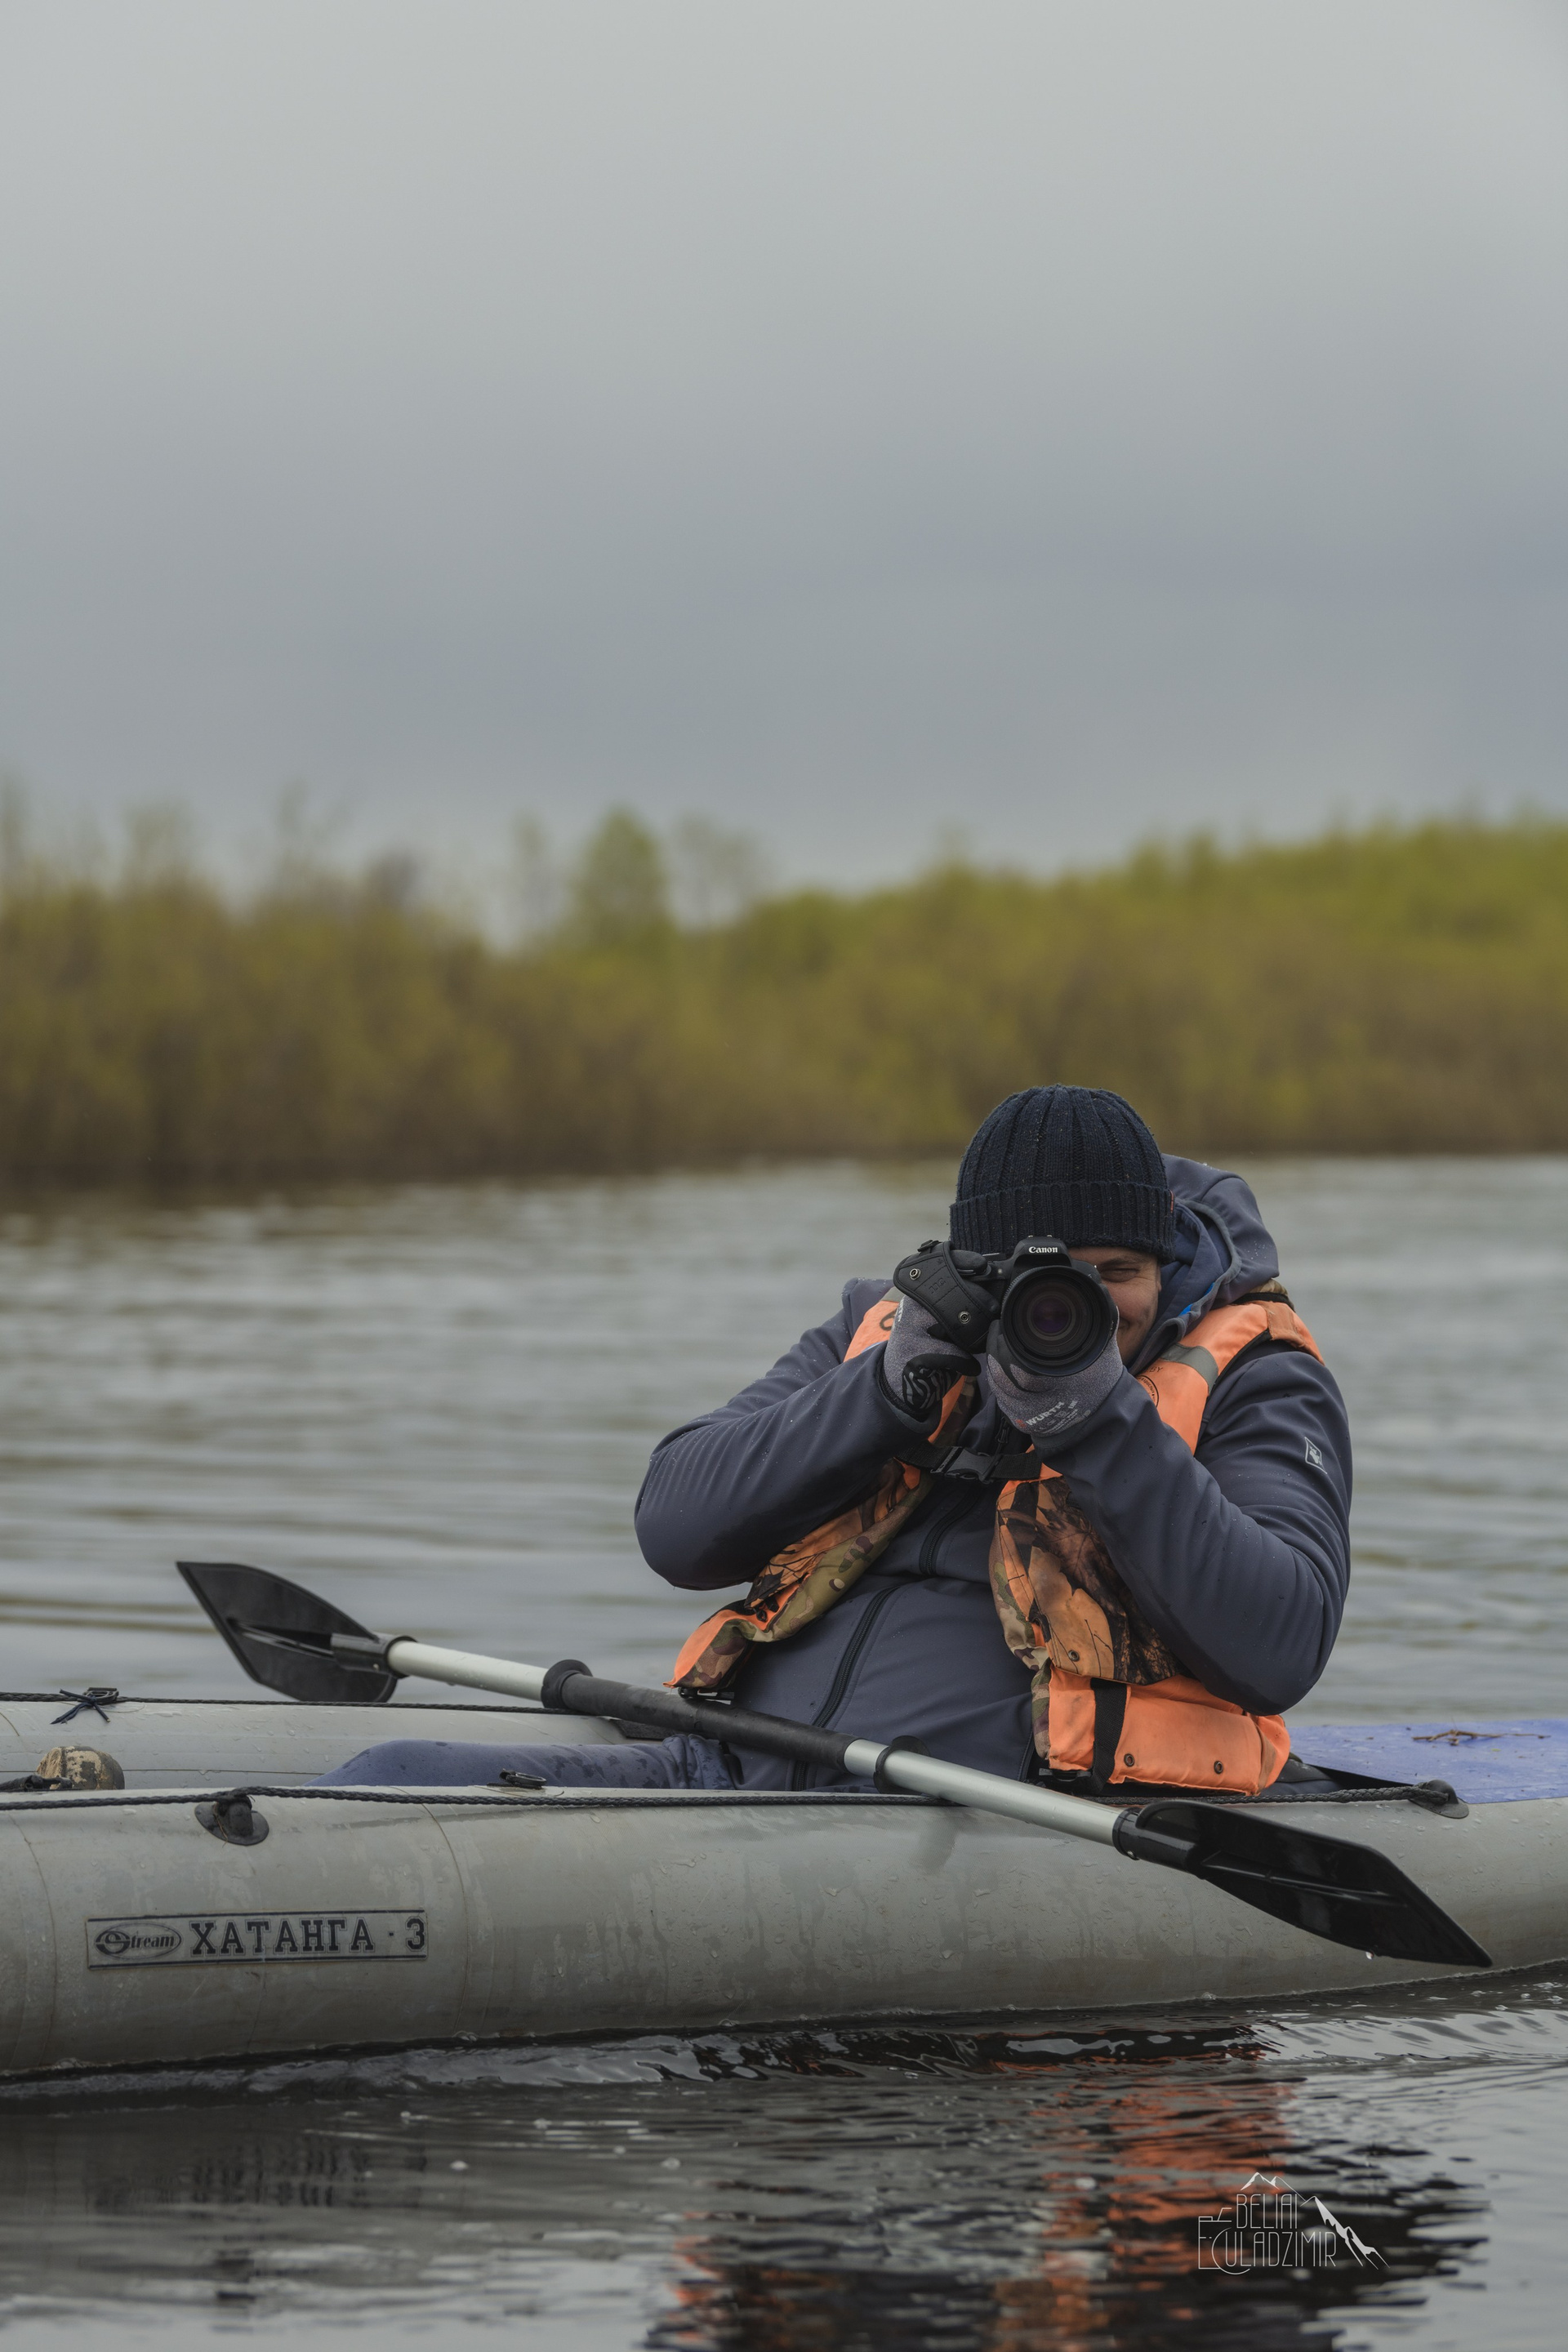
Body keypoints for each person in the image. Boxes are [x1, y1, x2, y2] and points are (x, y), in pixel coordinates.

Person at [318, 1085, 1351, 1796]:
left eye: (1116, 1273)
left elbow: (1281, 1641)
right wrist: (885, 1391)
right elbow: (675, 1527)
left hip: (1000, 1815)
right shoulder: (883, 1333)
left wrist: (1099, 1419)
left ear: (1164, 1267)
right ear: (973, 1266)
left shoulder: (1252, 1375)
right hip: (732, 1768)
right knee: (389, 1780)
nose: (1078, 1308)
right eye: (1039, 1285)